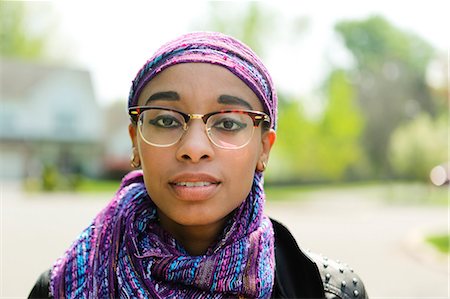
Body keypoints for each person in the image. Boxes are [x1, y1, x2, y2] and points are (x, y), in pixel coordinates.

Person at [29, 31, 368, 299]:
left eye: (228, 123)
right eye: (164, 121)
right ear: (135, 141)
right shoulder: (62, 288)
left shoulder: (327, 291)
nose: (193, 148)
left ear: (264, 148)